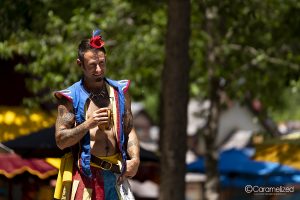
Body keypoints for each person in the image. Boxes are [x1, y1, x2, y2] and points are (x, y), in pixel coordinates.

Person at [53, 29, 140, 200]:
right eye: (92, 65)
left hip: (116, 176)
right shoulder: (70, 99)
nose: (99, 69)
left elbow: (129, 130)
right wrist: (88, 124)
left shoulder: (120, 92)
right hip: (87, 178)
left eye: (102, 63)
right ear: (80, 64)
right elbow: (61, 140)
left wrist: (135, 159)